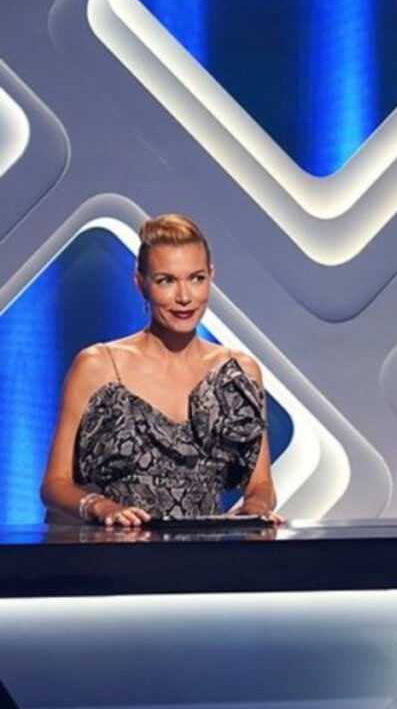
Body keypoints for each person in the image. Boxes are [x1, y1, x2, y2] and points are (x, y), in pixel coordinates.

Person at [40, 214, 280, 526]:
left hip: (206, 550)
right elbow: (55, 485)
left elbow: (261, 484)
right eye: (166, 280)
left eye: (196, 278)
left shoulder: (238, 373)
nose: (184, 297)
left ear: (211, 276)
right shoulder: (98, 365)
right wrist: (101, 507)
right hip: (116, 549)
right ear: (141, 283)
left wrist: (256, 507)